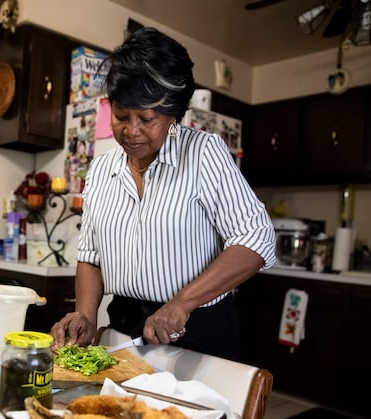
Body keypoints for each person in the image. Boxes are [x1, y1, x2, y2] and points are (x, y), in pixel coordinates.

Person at [50, 27, 276, 360]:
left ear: (173, 115)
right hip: (123, 332)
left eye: (147, 118)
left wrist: (183, 302)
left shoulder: (203, 153)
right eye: (121, 116)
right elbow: (91, 255)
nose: (131, 131)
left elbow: (256, 238)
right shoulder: (101, 169)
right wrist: (86, 313)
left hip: (196, 334)